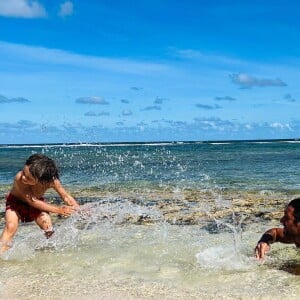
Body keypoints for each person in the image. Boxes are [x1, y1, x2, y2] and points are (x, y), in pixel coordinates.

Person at [0, 154, 79, 252]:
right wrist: (58, 210)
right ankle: (2, 251)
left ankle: (52, 250)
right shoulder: (19, 178)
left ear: (41, 180)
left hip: (38, 204)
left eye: (28, 178)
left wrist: (77, 209)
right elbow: (32, 201)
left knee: (47, 227)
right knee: (11, 226)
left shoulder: (52, 181)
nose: (24, 177)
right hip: (16, 203)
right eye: (24, 172)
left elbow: (66, 197)